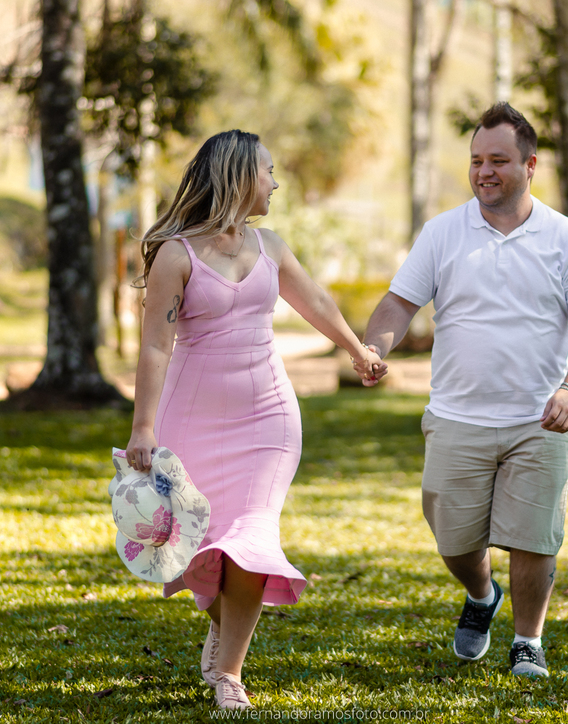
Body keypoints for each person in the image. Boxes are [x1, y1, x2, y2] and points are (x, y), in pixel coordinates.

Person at [123, 130, 387, 710]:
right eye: (268, 171)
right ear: (241, 176)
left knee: (251, 537)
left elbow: (314, 300)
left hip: (268, 418)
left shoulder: (270, 246)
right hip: (191, 420)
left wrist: (356, 349)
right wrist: (143, 427)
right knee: (203, 544)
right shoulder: (177, 253)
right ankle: (223, 626)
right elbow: (155, 349)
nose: (275, 182)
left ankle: (228, 676)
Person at [362, 103, 568, 679]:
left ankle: (528, 641)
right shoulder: (443, 232)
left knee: (533, 534)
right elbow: (400, 303)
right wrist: (376, 346)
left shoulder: (566, 238)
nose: (484, 171)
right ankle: (481, 596)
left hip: (539, 417)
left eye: (498, 160)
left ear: (530, 164)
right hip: (456, 416)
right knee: (454, 540)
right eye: (476, 160)